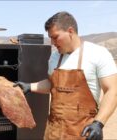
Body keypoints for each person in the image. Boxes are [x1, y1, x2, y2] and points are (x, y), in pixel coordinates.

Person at [14, 11, 117, 140]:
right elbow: (52, 85)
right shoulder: (54, 57)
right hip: (53, 133)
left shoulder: (98, 54)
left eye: (55, 37)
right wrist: (29, 86)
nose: (52, 42)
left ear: (70, 31)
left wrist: (98, 123)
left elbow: (112, 91)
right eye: (50, 38)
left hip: (83, 133)